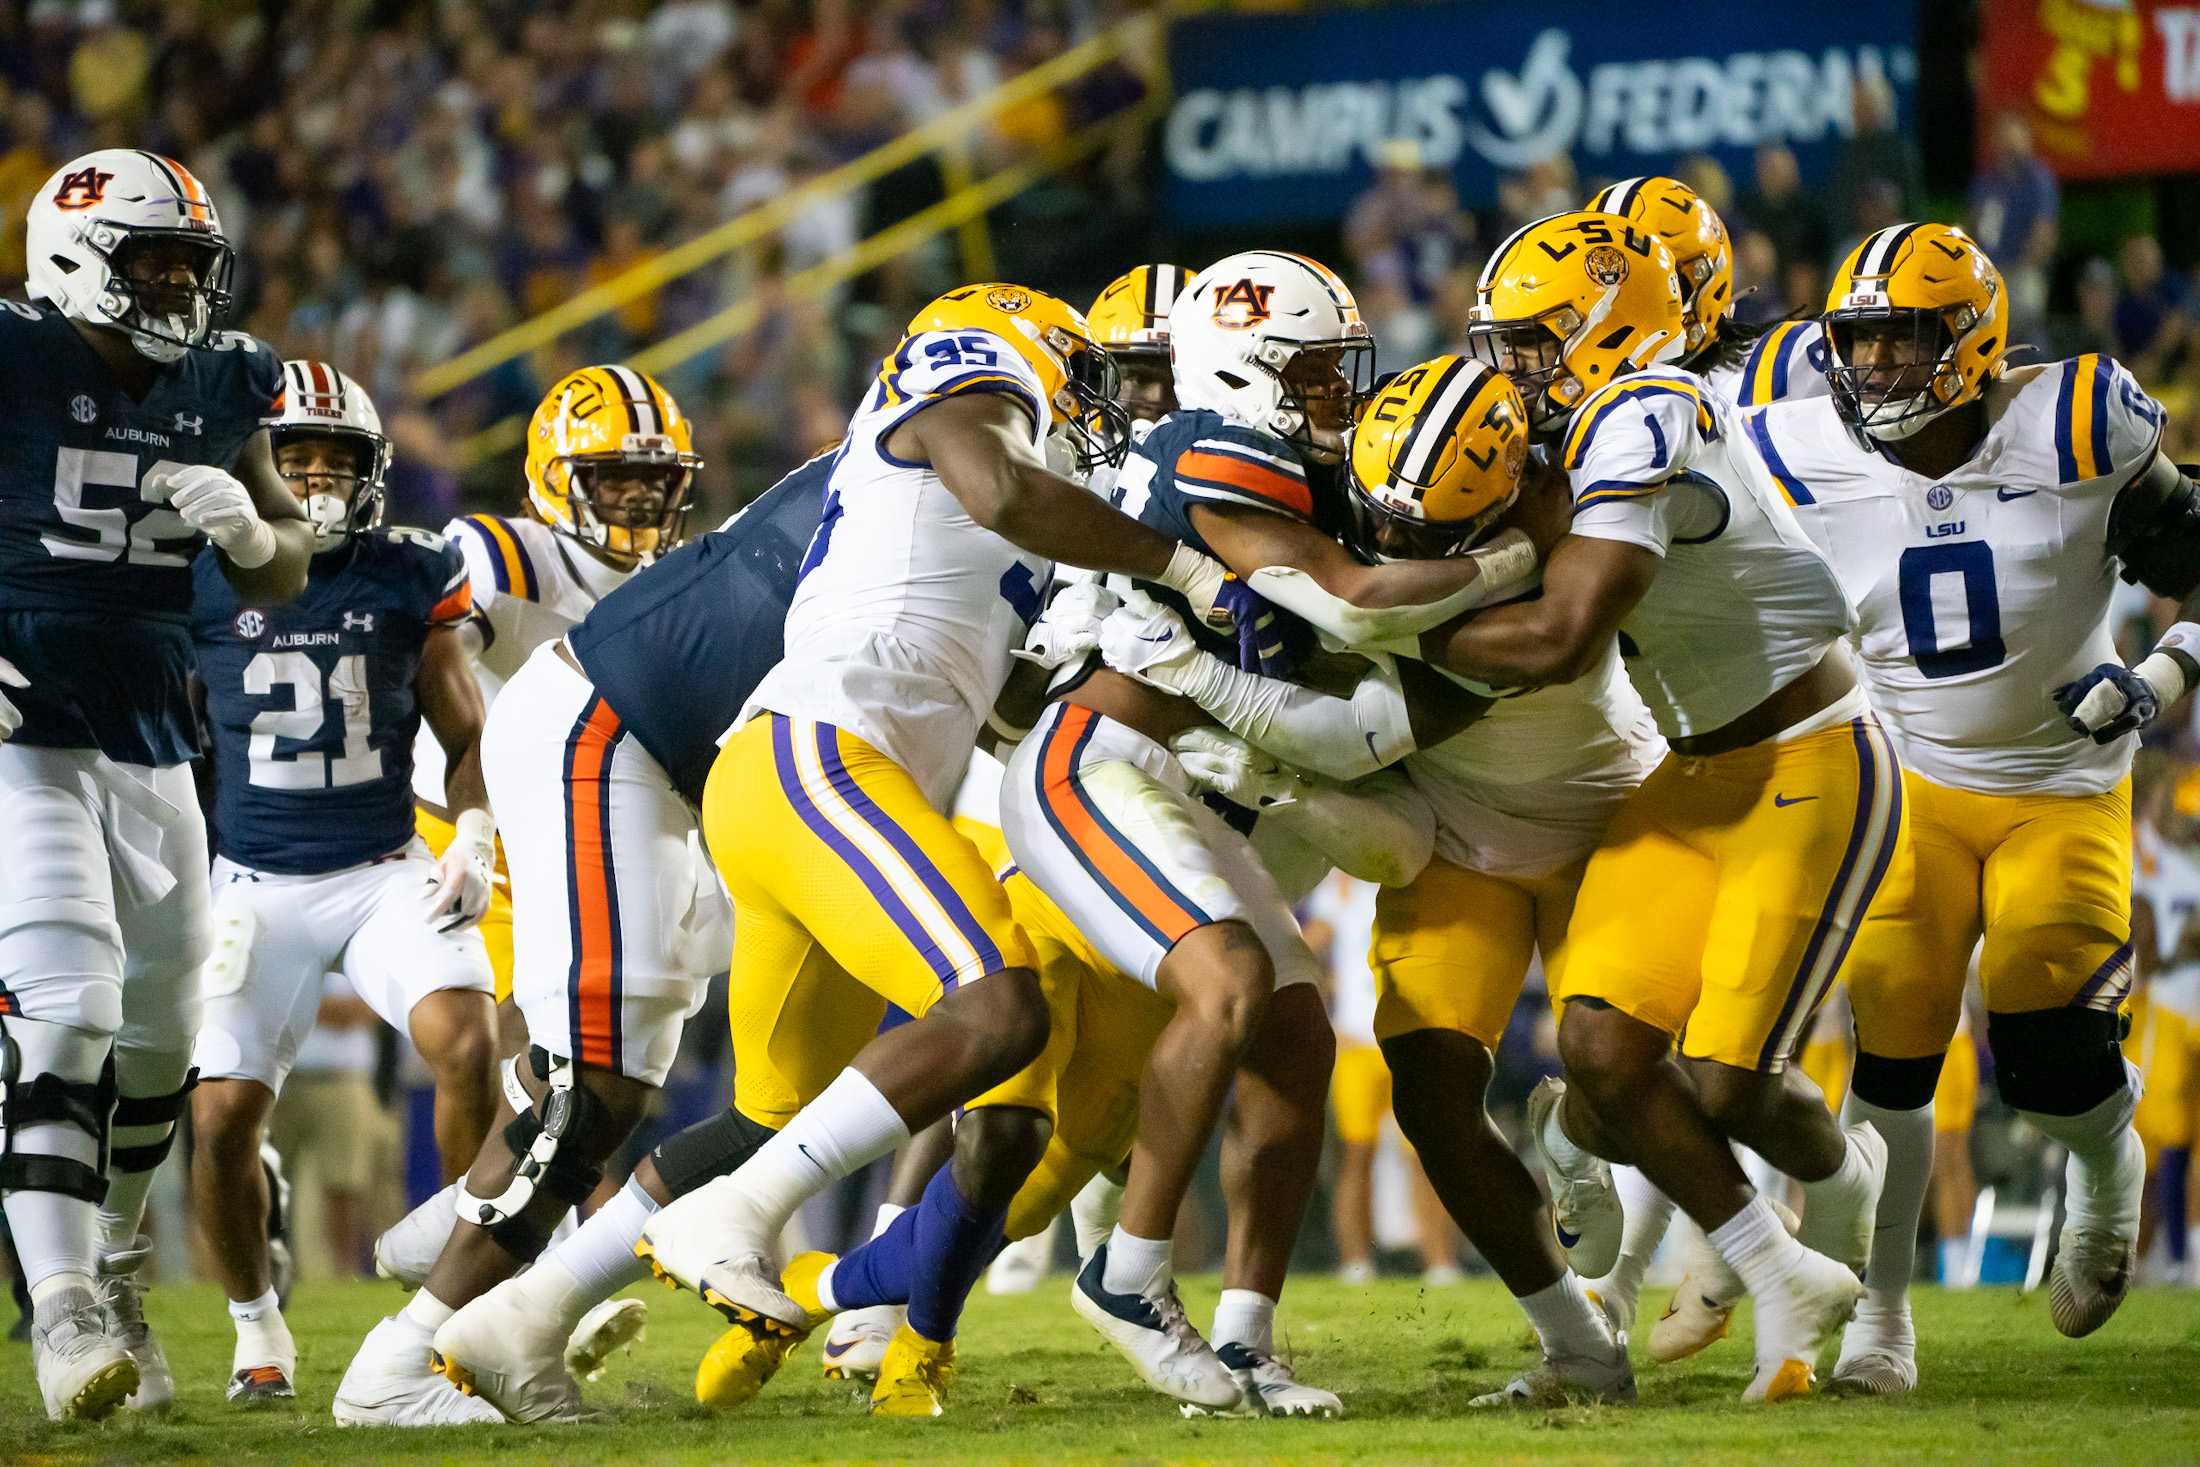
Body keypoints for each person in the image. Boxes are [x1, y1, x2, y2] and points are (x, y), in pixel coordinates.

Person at [632, 281, 1257, 1411]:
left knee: (1031, 1118)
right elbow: (1004, 489)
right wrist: (1189, 579)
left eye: (1165, 373)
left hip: (911, 779)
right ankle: (780, 1252)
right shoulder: (985, 405)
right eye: (1125, 372)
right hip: (862, 769)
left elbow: (1022, 691)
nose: (1139, 401)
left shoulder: (1068, 507)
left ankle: (505, 1320)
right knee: (991, 1033)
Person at [1391, 210, 1901, 1404]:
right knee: (1603, 1051)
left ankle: (1843, 1192)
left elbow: (1564, 634)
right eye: (1497, 345)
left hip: (1809, 756)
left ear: (1601, 329)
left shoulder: (1644, 408)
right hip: (1690, 772)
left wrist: (1371, 622)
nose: (1503, 371)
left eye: (1526, 344)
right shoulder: (1575, 423)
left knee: (1724, 1087)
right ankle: (1777, 1270)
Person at [1749, 220, 2183, 1391]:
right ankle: (1881, 1323)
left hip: (2059, 786)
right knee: (1888, 1067)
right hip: (1910, 786)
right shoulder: (1785, 437)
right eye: (1860, 342)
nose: (1876, 367)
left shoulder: (2080, 423)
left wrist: (2157, 679)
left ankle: (2104, 1161)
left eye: (1903, 341)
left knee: (2048, 1058)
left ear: (1974, 337)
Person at [2, 149, 315, 1422]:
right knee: (66, 1005)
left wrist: (252, 535)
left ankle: (112, 1270)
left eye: (194, 261)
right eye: (157, 260)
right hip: (20, 708)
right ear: (78, 256)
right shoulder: (16, 355)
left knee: (160, 1041)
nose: (182, 285)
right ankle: (64, 1307)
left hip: (150, 722)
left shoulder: (222, 384)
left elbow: (284, 565)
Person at [333, 364, 705, 1426]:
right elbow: (423, 646)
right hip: (472, 827)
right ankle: (469, 1286)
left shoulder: (674, 571)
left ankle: (453, 1239)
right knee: (550, 1059)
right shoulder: (503, 552)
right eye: (615, 477)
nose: (637, 499)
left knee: (581, 1065)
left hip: (582, 823)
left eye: (652, 479)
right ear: (553, 475)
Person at [189, 360, 500, 1405]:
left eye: (339, 459)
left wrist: (476, 828)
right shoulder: (196, 571)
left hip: (381, 870)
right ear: (255, 469)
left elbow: (462, 722)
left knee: (469, 1042)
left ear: (374, 470)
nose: (318, 478)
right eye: (296, 457)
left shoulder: (412, 569)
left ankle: (466, 1296)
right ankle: (254, 1328)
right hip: (252, 880)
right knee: (223, 1115)